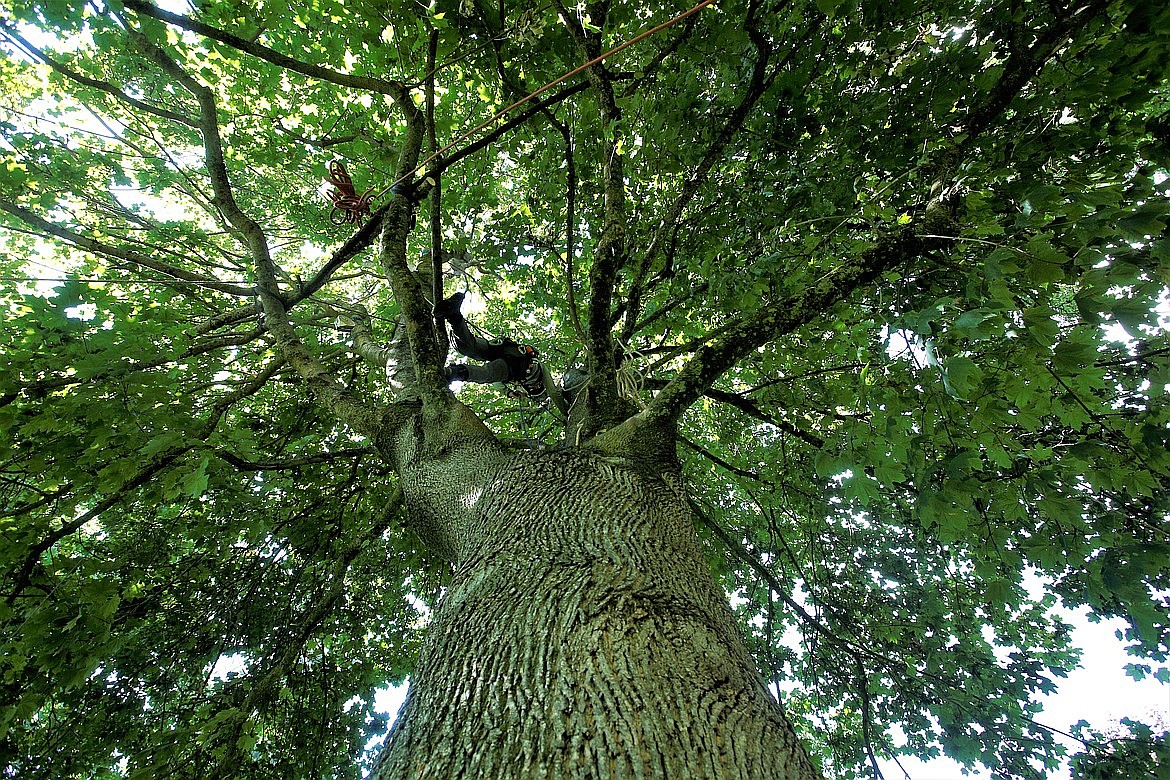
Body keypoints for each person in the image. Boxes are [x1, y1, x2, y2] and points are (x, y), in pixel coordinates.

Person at [435, 292, 567, 416]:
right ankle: (454, 373)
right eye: (537, 388)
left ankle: (454, 316)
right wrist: (566, 412)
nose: (534, 387)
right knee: (481, 365)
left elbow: (496, 383)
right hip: (509, 361)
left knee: (470, 348)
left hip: (501, 351)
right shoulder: (540, 369)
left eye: (533, 389)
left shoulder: (519, 382)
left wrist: (509, 393)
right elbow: (555, 393)